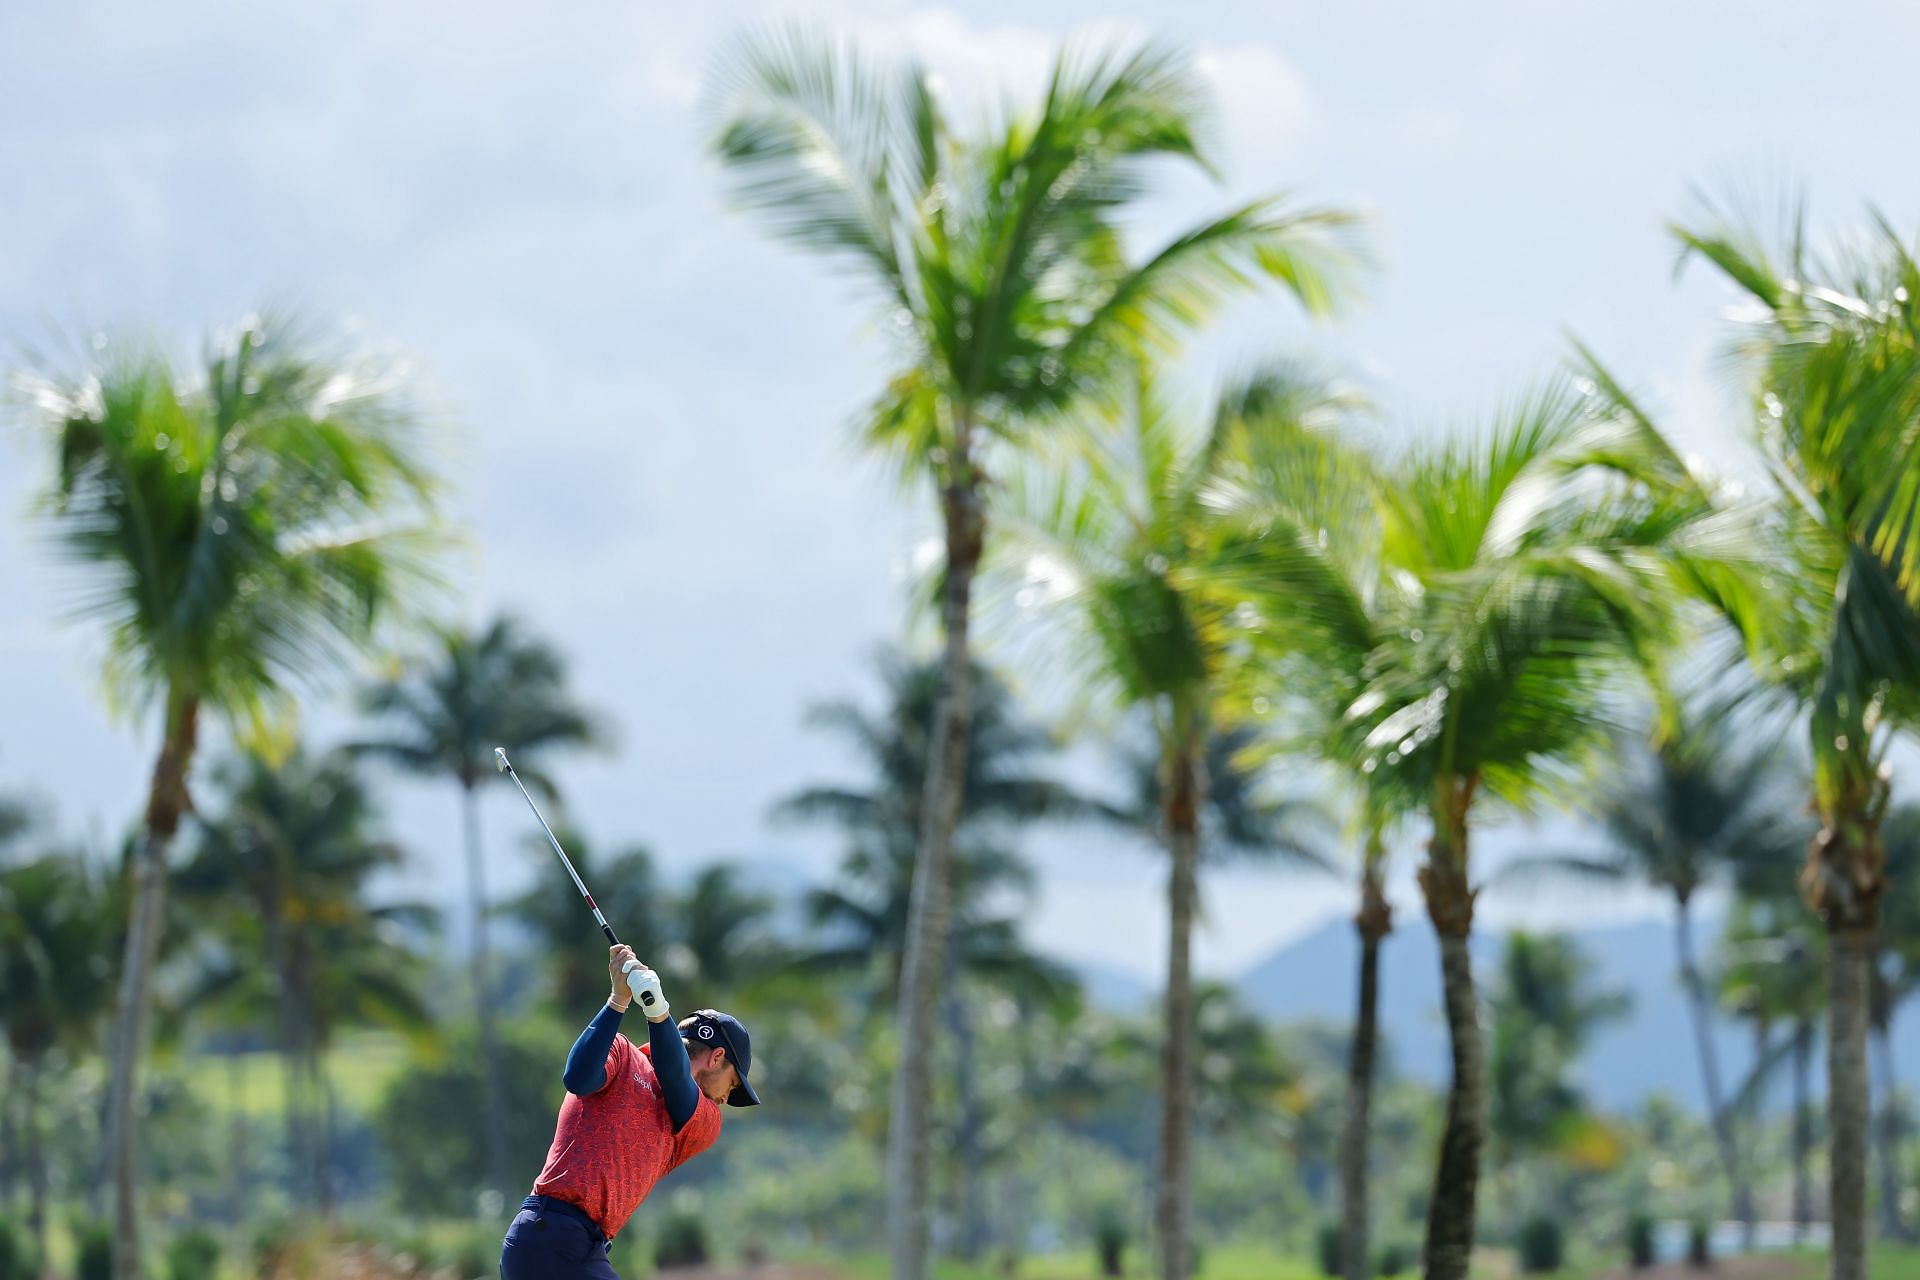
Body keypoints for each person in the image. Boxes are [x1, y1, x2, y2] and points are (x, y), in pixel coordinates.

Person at [499, 944, 760, 1279]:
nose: (727, 1097)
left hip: (578, 1247)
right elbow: (577, 1078)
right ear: (716, 1057)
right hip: (551, 1235)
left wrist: (657, 1009)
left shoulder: (705, 1120)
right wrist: (617, 1001)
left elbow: (678, 1085)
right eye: (733, 1084)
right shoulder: (622, 1054)